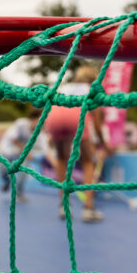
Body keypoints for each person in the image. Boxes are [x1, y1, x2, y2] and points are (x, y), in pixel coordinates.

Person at [45, 66, 111, 223]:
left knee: (62, 158)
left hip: (54, 116)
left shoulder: (65, 87)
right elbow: (96, 124)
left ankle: (63, 206)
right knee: (88, 161)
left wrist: (49, 135)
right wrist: (104, 144)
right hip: (76, 116)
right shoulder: (91, 90)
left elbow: (51, 104)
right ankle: (89, 208)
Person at [0, 108, 56, 203]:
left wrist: (56, 166)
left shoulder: (40, 135)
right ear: (34, 119)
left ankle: (19, 193)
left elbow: (47, 152)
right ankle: (7, 182)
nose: (44, 123)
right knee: (4, 171)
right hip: (7, 150)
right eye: (42, 119)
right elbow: (13, 139)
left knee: (24, 172)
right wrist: (26, 151)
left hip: (22, 154)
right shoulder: (21, 123)